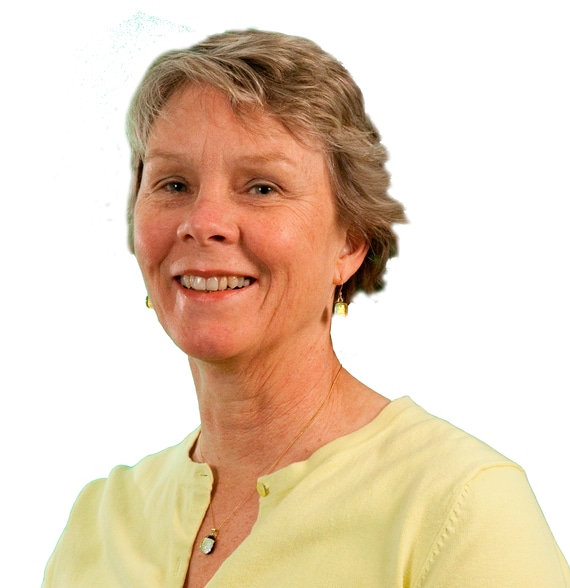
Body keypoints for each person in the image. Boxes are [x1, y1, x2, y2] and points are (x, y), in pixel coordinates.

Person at [43, 29, 569, 587]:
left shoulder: (461, 505)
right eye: (174, 184)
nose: (202, 222)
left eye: (262, 188)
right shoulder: (98, 522)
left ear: (349, 243)